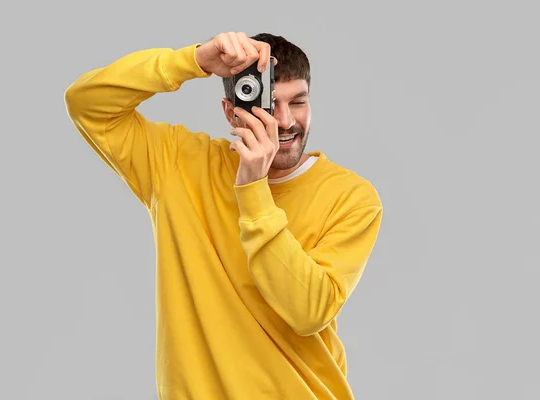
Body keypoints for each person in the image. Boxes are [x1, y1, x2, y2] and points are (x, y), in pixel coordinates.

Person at [64, 31, 383, 400]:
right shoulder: (177, 163)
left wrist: (253, 190)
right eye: (268, 103)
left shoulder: (352, 197)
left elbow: (309, 311)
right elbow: (85, 103)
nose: (284, 121)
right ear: (231, 111)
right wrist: (194, 60)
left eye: (298, 102)